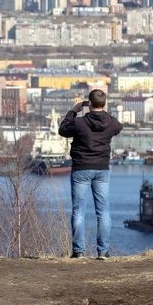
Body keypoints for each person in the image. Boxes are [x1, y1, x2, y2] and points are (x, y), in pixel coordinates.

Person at [58, 89, 123, 260]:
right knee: (103, 211)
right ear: (104, 103)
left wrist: (73, 111)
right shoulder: (110, 123)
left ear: (89, 103)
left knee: (78, 211)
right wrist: (103, 111)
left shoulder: (79, 122)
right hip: (102, 169)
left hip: (81, 168)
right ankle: (103, 252)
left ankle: (79, 252)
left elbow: (62, 129)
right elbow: (118, 126)